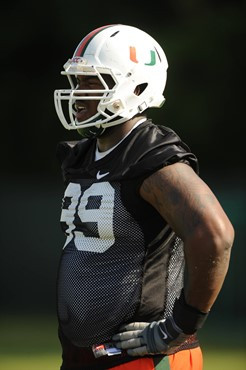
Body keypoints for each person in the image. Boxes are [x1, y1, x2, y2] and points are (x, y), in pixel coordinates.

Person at [54, 24, 234, 370]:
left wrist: (181, 325)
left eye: (93, 82)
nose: (79, 93)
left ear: (136, 86)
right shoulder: (87, 154)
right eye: (77, 82)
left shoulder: (150, 157)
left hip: (143, 357)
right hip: (88, 354)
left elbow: (215, 234)